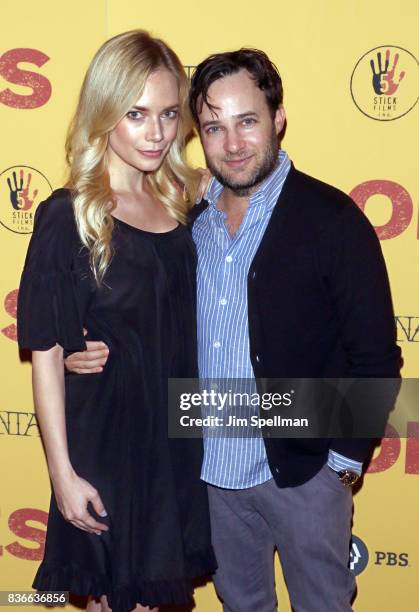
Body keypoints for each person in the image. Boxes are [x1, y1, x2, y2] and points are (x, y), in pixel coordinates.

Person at [66, 48, 401, 611]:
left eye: (247, 121)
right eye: (215, 127)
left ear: (278, 118)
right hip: (207, 475)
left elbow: (375, 359)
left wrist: (340, 469)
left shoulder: (333, 220)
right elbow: (144, 314)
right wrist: (86, 349)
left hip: (304, 471)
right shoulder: (185, 217)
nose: (234, 143)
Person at [17, 30, 216, 612]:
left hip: (177, 440)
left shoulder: (182, 202)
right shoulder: (67, 215)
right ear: (105, 113)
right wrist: (62, 476)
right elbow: (48, 355)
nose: (156, 132)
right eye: (136, 114)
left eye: (168, 114)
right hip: (108, 442)